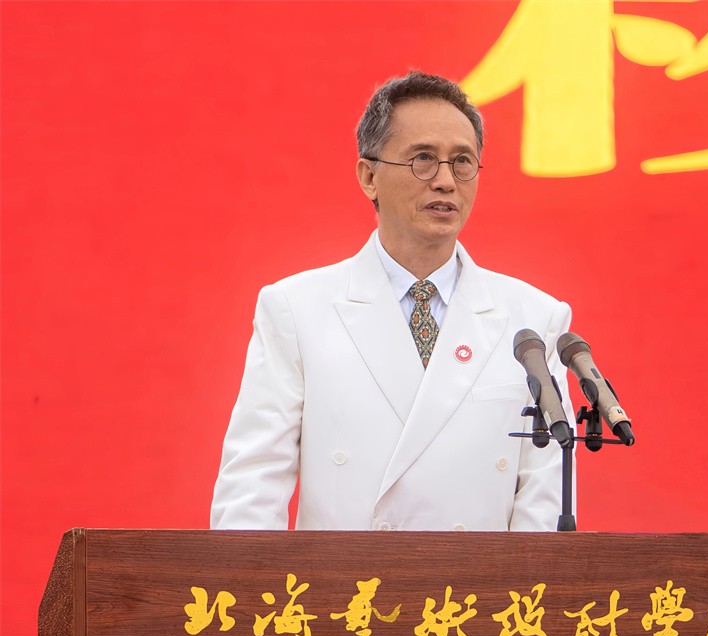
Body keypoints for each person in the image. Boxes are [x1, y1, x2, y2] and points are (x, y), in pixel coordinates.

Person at [210, 71, 573, 532]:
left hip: (478, 580)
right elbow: (252, 485)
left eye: (463, 162)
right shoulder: (296, 309)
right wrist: (248, 577)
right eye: (423, 160)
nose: (446, 181)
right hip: (344, 579)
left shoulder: (534, 320)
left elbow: (544, 500)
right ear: (369, 176)